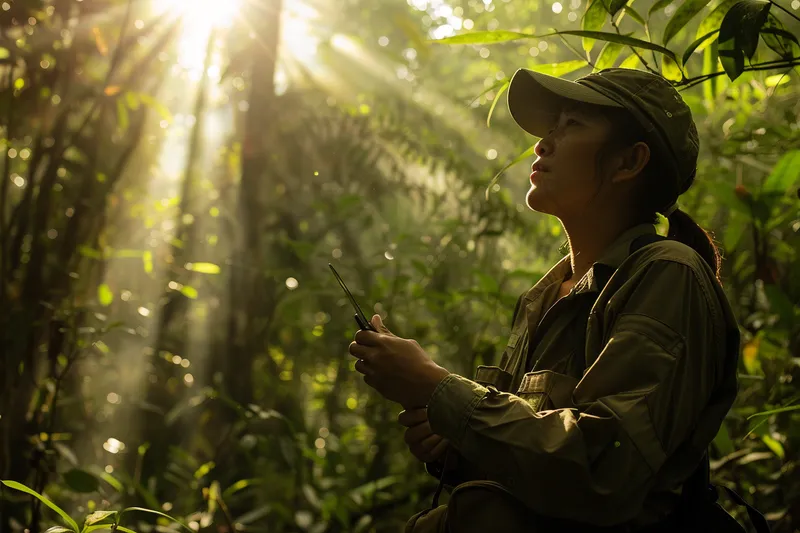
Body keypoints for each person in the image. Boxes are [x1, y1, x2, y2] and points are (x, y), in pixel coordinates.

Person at [348, 68, 768, 532]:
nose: (543, 144)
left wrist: (438, 388)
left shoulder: (667, 274)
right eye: (551, 128)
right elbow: (537, 463)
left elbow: (602, 469)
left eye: (572, 126)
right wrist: (459, 443)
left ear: (628, 162)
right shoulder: (544, 295)